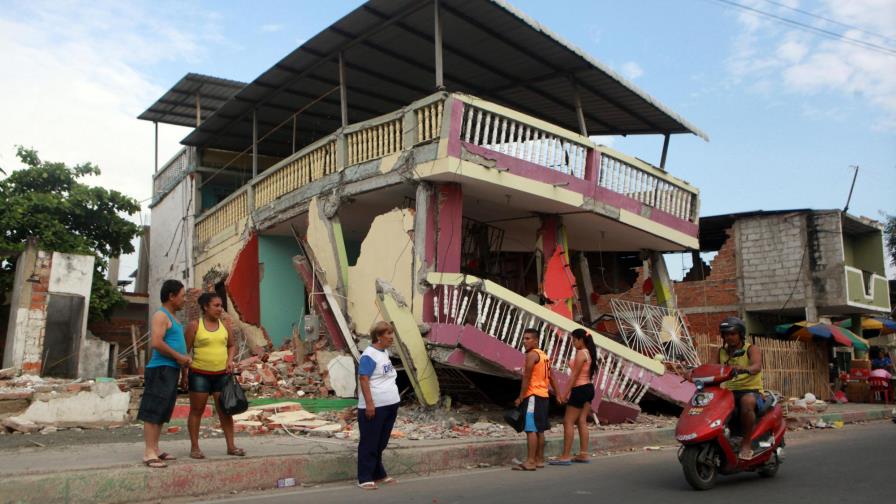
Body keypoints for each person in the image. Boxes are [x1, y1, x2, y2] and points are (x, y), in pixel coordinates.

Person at [138, 279, 191, 468]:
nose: (185, 300)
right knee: (153, 410)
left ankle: (156, 448)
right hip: (160, 369)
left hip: (172, 369)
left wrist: (184, 372)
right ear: (171, 296)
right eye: (183, 295)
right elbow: (157, 343)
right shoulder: (160, 315)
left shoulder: (173, 317)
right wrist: (180, 357)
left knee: (162, 411)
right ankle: (148, 452)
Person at [185, 292, 244, 459]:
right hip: (199, 375)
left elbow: (232, 345)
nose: (220, 309)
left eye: (221, 305)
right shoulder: (195, 326)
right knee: (197, 410)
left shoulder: (225, 325)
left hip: (222, 375)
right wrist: (184, 375)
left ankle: (231, 446)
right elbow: (185, 351)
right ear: (205, 307)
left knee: (226, 411)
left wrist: (230, 361)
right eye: (216, 305)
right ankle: (195, 448)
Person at [711, 316, 763, 460]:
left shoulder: (750, 349)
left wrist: (745, 369)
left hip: (751, 390)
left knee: (747, 402)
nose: (729, 337)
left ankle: (746, 444)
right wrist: (692, 372)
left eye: (732, 334)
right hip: (729, 392)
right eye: (726, 334)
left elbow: (757, 365)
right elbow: (711, 368)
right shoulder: (721, 352)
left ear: (740, 334)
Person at [357, 321, 401, 490]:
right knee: (369, 442)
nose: (391, 338)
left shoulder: (384, 353)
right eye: (388, 334)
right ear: (378, 336)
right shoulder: (369, 355)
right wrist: (369, 404)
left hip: (390, 404)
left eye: (392, 334)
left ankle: (378, 473)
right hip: (375, 406)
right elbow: (363, 379)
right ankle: (364, 477)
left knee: (381, 442)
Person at [512, 328, 560, 471]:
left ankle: (530, 461)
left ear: (536, 340)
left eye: (528, 339)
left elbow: (526, 377)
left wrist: (521, 396)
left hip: (532, 395)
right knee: (540, 430)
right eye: (524, 338)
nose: (524, 341)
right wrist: (558, 394)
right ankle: (539, 460)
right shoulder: (544, 355)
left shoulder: (532, 355)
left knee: (530, 429)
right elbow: (552, 376)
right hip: (543, 396)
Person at [550, 329, 597, 465]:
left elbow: (574, 376)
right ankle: (584, 454)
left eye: (574, 340)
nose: (572, 342)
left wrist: (564, 394)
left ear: (581, 339)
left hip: (579, 389)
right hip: (588, 388)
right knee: (582, 420)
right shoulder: (589, 352)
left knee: (568, 422)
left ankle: (565, 456)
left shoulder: (581, 353)